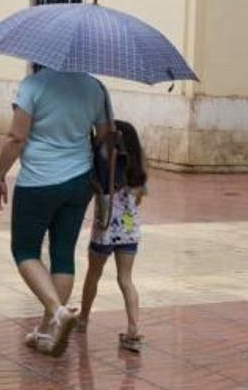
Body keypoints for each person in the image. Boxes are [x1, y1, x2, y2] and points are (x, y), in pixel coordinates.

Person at [0, 65, 110, 357]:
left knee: (25, 250)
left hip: (38, 182)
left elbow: (16, 138)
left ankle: (57, 312)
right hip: (79, 180)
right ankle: (46, 329)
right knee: (62, 254)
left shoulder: (33, 86)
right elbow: (106, 137)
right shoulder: (95, 87)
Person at [77, 120, 147, 353]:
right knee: (126, 279)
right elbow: (138, 198)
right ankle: (133, 329)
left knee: (93, 275)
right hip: (129, 231)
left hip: (104, 230)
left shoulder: (105, 168)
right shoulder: (139, 173)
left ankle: (83, 319)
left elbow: (94, 188)